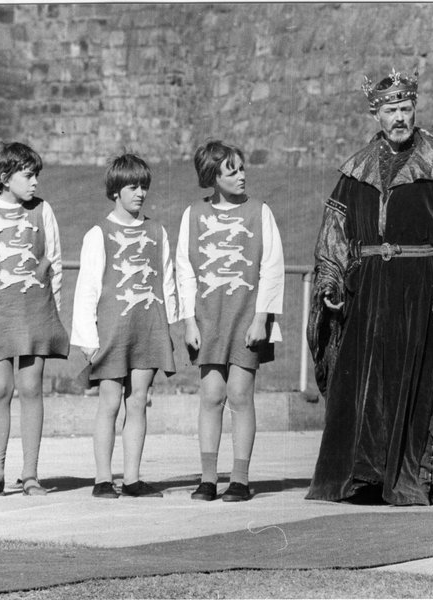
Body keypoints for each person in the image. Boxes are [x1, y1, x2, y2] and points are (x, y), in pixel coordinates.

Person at [306, 68, 433, 506]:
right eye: (391, 110)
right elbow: (334, 231)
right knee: (363, 387)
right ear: (376, 114)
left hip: (418, 290)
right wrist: (331, 279)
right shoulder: (355, 169)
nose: (400, 118)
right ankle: (363, 476)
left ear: (415, 110)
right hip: (368, 291)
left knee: (412, 385)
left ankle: (410, 477)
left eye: (406, 109)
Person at [176, 140, 284, 503]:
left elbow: (271, 267)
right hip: (208, 318)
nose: (241, 175)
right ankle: (208, 479)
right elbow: (184, 270)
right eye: (231, 171)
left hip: (246, 316)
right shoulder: (193, 214)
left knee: (239, 395)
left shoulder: (259, 211)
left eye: (242, 168)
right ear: (213, 177)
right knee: (210, 395)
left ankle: (239, 478)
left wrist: (261, 318)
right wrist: (189, 322)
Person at [0, 141, 69, 497]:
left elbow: (53, 262)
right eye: (28, 175)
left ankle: (30, 474)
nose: (35, 182)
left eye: (36, 175)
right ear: (5, 177)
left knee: (30, 387)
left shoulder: (43, 211)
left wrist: (52, 312)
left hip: (35, 311)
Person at [71, 153, 177, 499]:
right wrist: (88, 340)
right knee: (110, 402)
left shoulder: (157, 231)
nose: (140, 193)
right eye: (132, 186)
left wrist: (172, 326)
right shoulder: (98, 234)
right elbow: (87, 289)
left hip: (146, 329)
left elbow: (168, 281)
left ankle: (131, 479)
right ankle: (103, 478)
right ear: (116, 190)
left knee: (139, 400)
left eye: (144, 186)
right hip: (112, 333)